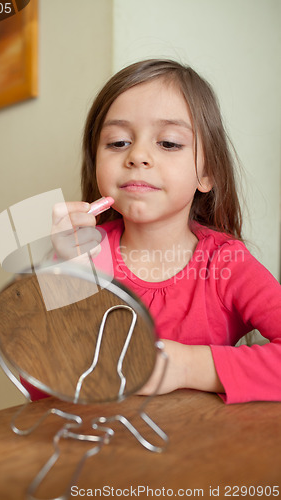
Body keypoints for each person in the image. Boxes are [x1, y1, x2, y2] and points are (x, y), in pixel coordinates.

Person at [51, 59, 281, 404]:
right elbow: (44, 380)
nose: (138, 156)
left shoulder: (228, 263)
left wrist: (189, 367)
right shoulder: (80, 255)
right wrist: (66, 273)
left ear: (208, 174)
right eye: (117, 143)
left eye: (169, 143)